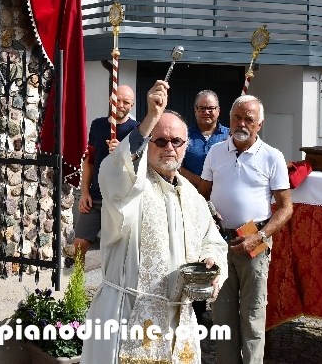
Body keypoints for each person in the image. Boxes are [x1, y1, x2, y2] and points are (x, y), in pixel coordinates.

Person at [82, 80, 228, 364]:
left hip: (179, 321)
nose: (169, 147)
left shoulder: (192, 195)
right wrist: (150, 119)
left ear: (186, 146)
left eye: (177, 141)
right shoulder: (130, 185)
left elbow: (212, 239)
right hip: (128, 314)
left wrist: (211, 262)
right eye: (160, 140)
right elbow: (111, 170)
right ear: (148, 143)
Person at [198, 95, 292, 364]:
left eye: (249, 119)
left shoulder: (273, 157)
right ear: (229, 120)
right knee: (222, 314)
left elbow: (286, 208)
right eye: (237, 117)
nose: (242, 123)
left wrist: (259, 237)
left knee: (252, 314)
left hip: (256, 237)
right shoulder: (215, 152)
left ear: (259, 123)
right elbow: (203, 194)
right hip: (219, 242)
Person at [179, 90, 230, 322]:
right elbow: (176, 166)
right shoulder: (184, 137)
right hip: (192, 202)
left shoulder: (230, 137)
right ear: (195, 111)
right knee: (196, 253)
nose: (206, 112)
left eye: (211, 108)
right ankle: (197, 310)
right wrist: (199, 182)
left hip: (223, 204)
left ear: (218, 111)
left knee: (221, 253)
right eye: (202, 108)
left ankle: (224, 308)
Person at [73, 85, 138, 263]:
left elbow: (138, 165)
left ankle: (113, 286)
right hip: (95, 197)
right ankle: (78, 285)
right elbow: (89, 160)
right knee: (79, 244)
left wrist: (121, 153)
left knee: (117, 250)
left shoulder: (137, 130)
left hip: (120, 199)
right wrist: (84, 192)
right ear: (111, 100)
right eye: (118, 100)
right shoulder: (98, 125)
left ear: (132, 105)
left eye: (126, 102)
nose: (121, 105)